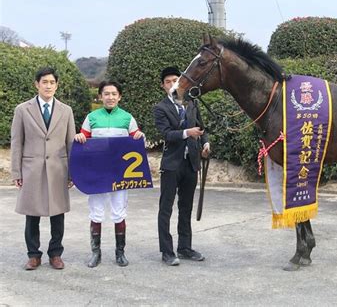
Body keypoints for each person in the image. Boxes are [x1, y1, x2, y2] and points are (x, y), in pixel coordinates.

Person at [11, 67, 76, 270]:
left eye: (52, 82)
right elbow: (17, 142)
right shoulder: (23, 110)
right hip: (32, 168)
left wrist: (72, 172)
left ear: (57, 85)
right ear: (37, 84)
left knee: (58, 213)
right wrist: (16, 172)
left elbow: (71, 143)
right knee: (32, 214)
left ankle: (55, 253)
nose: (48, 86)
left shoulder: (66, 111)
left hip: (58, 168)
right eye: (45, 82)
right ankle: (33, 255)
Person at [74, 80, 145, 268]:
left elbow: (137, 143)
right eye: (106, 93)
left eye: (114, 94)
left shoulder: (128, 118)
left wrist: (139, 137)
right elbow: (83, 141)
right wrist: (80, 137)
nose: (110, 97)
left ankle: (120, 253)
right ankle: (95, 253)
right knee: (96, 213)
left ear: (119, 96)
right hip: (97, 174)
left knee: (118, 213)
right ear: (100, 96)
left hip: (119, 174)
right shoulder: (91, 117)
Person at [153, 66, 210, 266]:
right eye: (167, 81)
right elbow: (167, 134)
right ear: (163, 86)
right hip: (172, 164)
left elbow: (202, 128)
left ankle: (185, 247)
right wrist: (187, 133)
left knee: (186, 207)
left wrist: (205, 144)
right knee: (166, 208)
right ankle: (167, 251)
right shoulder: (160, 108)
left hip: (191, 163)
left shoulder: (192, 103)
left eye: (175, 80)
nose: (172, 84)